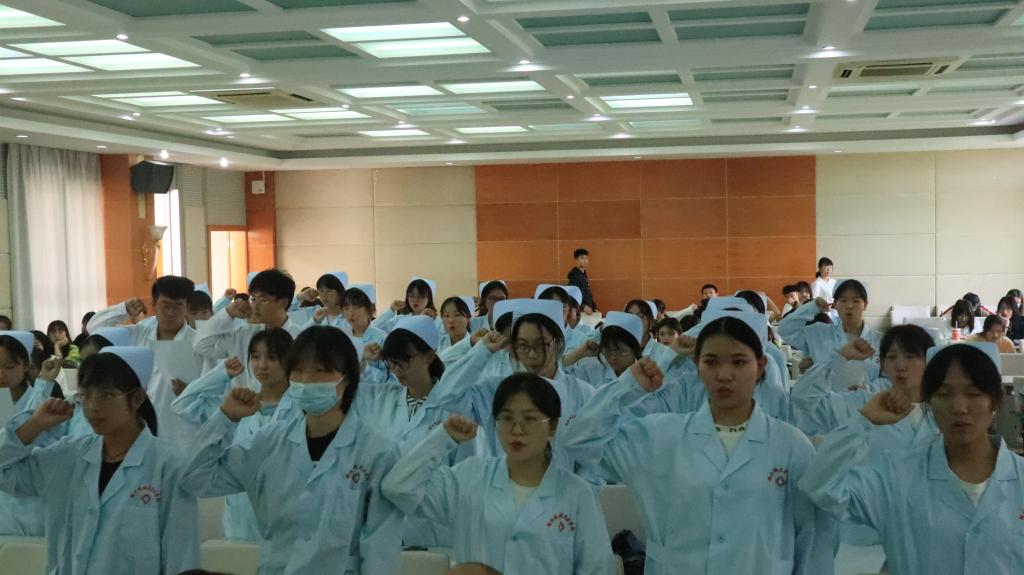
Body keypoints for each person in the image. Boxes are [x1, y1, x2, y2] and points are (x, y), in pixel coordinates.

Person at [562, 317, 832, 574]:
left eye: (738, 362)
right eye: (711, 362)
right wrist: (629, 387)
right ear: (697, 365)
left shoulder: (791, 446)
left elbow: (812, 542)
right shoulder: (662, 436)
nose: (724, 375)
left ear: (761, 366)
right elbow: (579, 441)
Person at [182, 325, 402, 575]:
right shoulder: (269, 443)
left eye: (321, 370)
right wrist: (225, 419)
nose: (307, 380)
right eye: (298, 370)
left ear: (348, 378)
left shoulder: (376, 452)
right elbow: (195, 480)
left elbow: (380, 547)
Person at [800, 344, 1024, 575]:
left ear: (995, 401)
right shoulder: (896, 477)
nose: (959, 408)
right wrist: (863, 422)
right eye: (944, 394)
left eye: (973, 394)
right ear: (928, 401)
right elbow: (820, 486)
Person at [383, 374, 615, 575]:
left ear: (552, 426)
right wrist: (443, 439)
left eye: (529, 419)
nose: (517, 430)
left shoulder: (577, 494)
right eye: (506, 418)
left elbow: (597, 569)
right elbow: (398, 488)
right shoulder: (469, 477)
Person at [0, 346, 201, 574]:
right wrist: (33, 424)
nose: (93, 407)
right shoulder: (68, 456)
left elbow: (182, 556)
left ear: (137, 398)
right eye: (85, 395)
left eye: (107, 395)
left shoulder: (168, 466)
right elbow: (5, 473)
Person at [172, 329, 299, 541]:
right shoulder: (239, 402)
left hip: (284, 519)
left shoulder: (300, 408)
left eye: (272, 358)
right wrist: (220, 373)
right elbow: (182, 404)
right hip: (239, 520)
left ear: (289, 361)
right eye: (255, 357)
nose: (262, 365)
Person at [87, 275, 203, 448]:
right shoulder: (138, 334)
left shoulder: (200, 344)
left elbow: (215, 394)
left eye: (178, 305)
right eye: (165, 305)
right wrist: (123, 309)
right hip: (142, 433)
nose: (170, 312)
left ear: (187, 307)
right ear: (154, 304)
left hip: (183, 434)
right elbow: (94, 328)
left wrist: (191, 393)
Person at [194, 269, 306, 391]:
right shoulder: (244, 334)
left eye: (264, 300)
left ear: (283, 303)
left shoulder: (301, 339)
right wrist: (228, 313)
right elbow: (201, 345)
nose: (255, 306)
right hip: (244, 402)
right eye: (253, 299)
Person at [0, 332, 64, 536]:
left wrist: (43, 385)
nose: (1, 374)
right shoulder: (39, 397)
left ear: (26, 366)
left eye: (10, 367)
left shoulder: (47, 404)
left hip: (32, 507)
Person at [779, 279, 882, 375]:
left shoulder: (880, 341)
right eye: (843, 300)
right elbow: (785, 330)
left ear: (865, 304)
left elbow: (886, 379)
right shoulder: (819, 334)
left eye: (856, 301)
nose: (849, 306)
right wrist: (813, 307)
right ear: (835, 305)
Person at [563, 312, 643, 390]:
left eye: (619, 352)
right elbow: (561, 378)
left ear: (634, 349)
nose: (612, 358)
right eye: (608, 351)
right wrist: (580, 352)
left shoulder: (645, 377)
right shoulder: (593, 372)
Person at [373, 277, 439, 333]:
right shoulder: (400, 320)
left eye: (421, 296)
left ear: (429, 299)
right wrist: (391, 310)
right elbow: (373, 329)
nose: (416, 300)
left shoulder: (437, 322)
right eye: (412, 296)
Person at [566, 249, 597, 313]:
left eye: (586, 258)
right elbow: (572, 296)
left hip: (588, 311)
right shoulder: (574, 276)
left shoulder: (583, 275)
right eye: (582, 258)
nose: (585, 261)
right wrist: (583, 307)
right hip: (581, 313)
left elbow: (587, 293)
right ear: (576, 260)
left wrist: (594, 307)